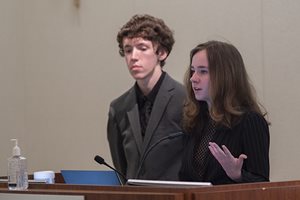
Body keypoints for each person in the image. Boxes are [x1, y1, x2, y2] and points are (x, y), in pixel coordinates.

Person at [107, 14, 186, 183]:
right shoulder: (118, 108)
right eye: (128, 50)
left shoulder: (185, 100)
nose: (133, 57)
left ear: (162, 53)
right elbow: (121, 169)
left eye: (142, 48)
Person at [179, 40, 270, 185]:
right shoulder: (194, 121)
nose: (193, 78)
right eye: (193, 70)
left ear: (225, 76)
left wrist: (238, 175)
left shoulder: (249, 121)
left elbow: (262, 184)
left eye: (203, 71)